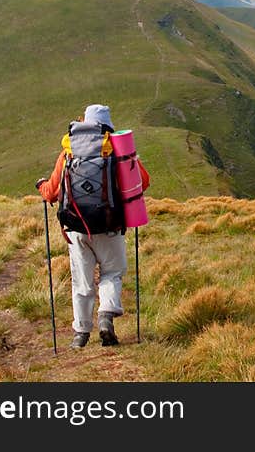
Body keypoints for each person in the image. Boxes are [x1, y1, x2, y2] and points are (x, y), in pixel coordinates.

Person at [36, 104, 150, 349]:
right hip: (109, 226)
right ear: (107, 125)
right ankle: (106, 316)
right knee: (112, 272)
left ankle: (80, 334)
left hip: (76, 228)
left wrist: (41, 185)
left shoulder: (69, 151)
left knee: (82, 281)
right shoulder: (116, 149)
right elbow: (143, 182)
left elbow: (52, 193)